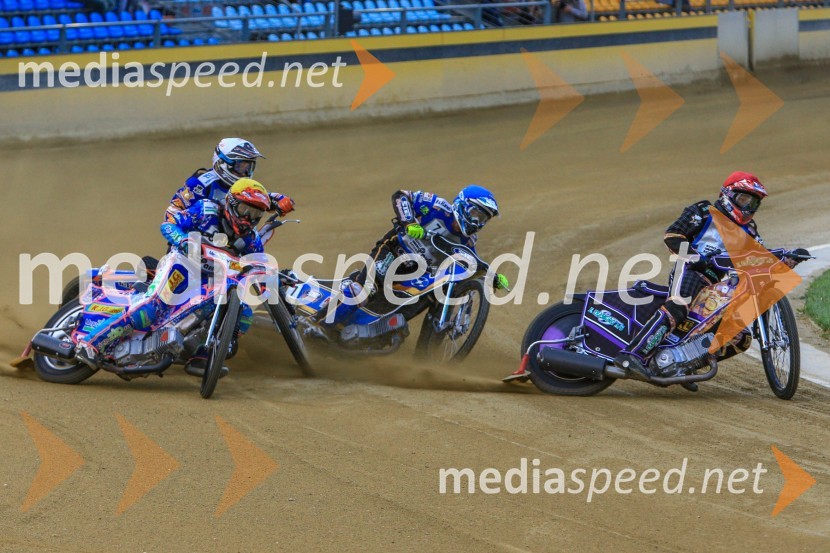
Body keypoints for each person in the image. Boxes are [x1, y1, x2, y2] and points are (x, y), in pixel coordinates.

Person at [77, 179, 282, 377]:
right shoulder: (206, 210)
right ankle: (92, 343)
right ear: (231, 203)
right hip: (182, 264)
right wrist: (182, 239)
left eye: (255, 214)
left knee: (243, 313)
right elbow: (168, 225)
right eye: (245, 210)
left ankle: (202, 356)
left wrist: (267, 288)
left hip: (212, 281)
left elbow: (259, 263)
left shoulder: (252, 238)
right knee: (151, 309)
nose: (248, 218)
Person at [614, 171, 801, 387]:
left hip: (717, 283)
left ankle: (683, 365)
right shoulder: (703, 211)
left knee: (740, 337)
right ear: (727, 194)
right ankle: (631, 356)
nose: (748, 207)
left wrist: (787, 259)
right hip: (691, 270)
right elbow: (673, 235)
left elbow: (760, 256)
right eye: (744, 199)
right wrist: (696, 257)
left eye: (754, 203)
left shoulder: (749, 229)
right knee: (678, 307)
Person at [343, 185, 509, 316]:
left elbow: (471, 260)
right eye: (476, 214)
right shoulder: (437, 207)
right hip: (393, 252)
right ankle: (321, 322)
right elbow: (401, 196)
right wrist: (409, 222)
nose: (477, 222)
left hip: (416, 274)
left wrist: (492, 277)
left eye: (483, 219)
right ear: (462, 205)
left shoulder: (468, 241)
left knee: (423, 298)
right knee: (364, 291)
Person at [164, 138, 295, 224]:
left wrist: (281, 199)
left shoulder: (244, 186)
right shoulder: (200, 184)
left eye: (248, 167)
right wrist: (185, 234)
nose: (244, 172)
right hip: (195, 243)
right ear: (223, 162)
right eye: (240, 166)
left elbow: (260, 196)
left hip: (230, 241)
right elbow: (172, 212)